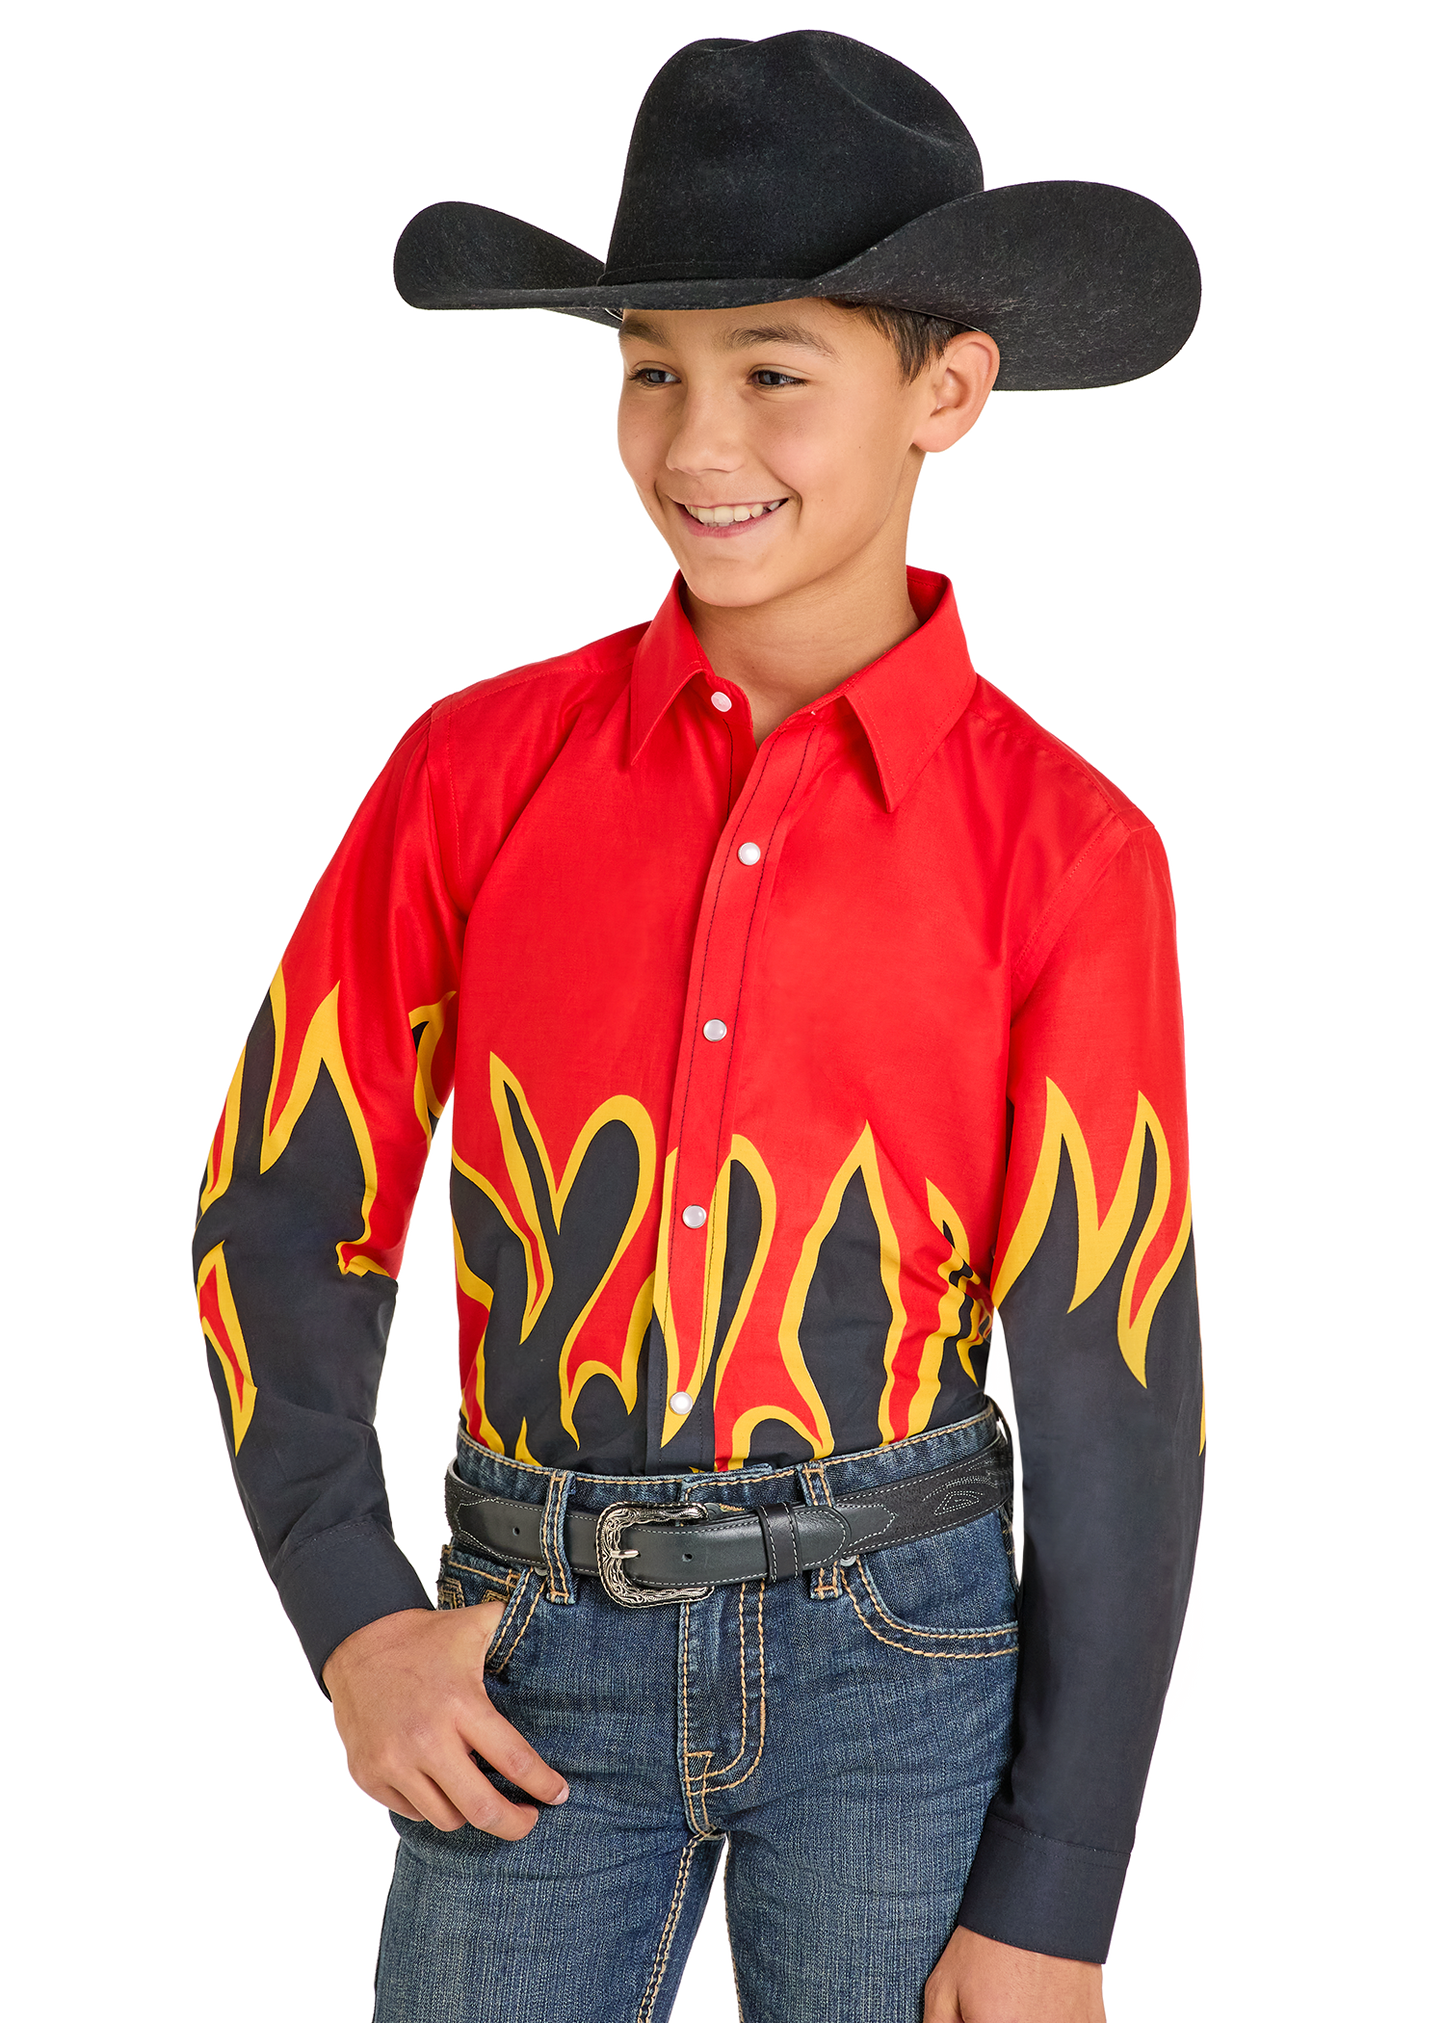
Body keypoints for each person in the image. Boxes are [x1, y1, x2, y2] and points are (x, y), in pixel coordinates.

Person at [192, 28, 1206, 2023]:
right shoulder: (466, 777)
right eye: (648, 367)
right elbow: (275, 1210)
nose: (693, 440)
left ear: (945, 388)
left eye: (771, 371)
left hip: (899, 1663)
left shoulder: (1067, 851)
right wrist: (351, 1621)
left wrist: (1060, 1896)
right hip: (517, 1649)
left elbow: (1114, 1386)